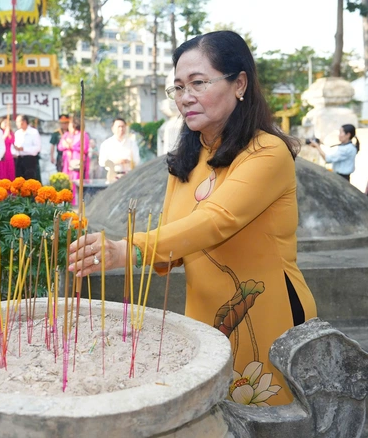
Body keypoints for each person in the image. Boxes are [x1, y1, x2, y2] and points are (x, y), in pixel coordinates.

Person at [67, 31, 316, 407]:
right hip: (204, 319)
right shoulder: (187, 156)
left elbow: (216, 221)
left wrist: (126, 249)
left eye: (198, 83)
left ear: (240, 84)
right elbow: (173, 247)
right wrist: (116, 252)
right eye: (179, 87)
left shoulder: (267, 152)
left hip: (268, 316)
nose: (185, 97)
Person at [58, 117, 90, 204]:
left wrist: (72, 146)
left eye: (70, 124)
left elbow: (85, 148)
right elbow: (60, 147)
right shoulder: (66, 135)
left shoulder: (83, 135)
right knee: (67, 182)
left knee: (76, 182)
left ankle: (76, 202)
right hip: (67, 163)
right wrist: (66, 146)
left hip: (77, 163)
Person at [12, 114, 42, 181]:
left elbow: (38, 148)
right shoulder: (17, 133)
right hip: (19, 159)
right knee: (19, 180)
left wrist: (24, 149)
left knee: (30, 180)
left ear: (24, 122)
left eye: (18, 121)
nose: (16, 124)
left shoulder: (34, 132)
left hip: (30, 160)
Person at [0, 116, 15, 181]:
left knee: (10, 173)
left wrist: (8, 134)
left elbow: (12, 141)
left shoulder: (11, 133)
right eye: (4, 122)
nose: (6, 124)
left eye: (7, 122)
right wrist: (5, 135)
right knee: (2, 173)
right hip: (1, 155)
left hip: (9, 155)